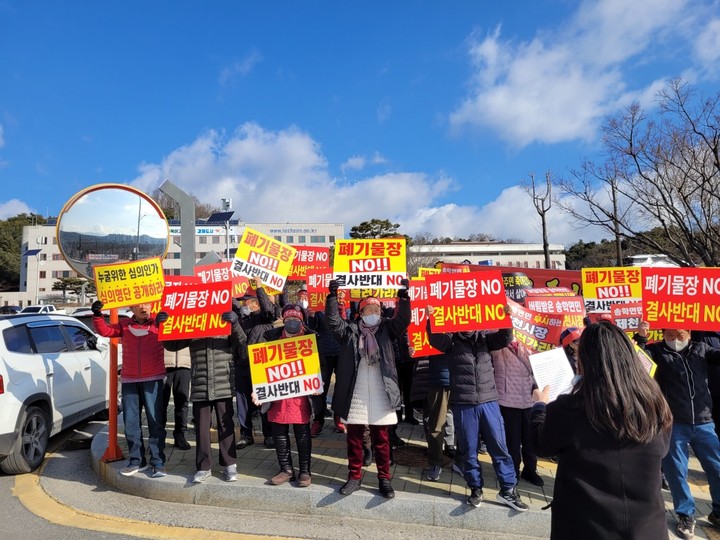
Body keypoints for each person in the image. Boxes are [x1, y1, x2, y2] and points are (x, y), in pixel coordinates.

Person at [532, 321, 672, 539]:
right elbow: (662, 451)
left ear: (587, 361)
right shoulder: (656, 406)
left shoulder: (570, 408)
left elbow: (540, 444)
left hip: (585, 527)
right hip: (647, 529)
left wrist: (540, 406)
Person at [426, 305, 528, 511]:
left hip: (489, 400)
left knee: (499, 447)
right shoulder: (452, 341)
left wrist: (506, 318)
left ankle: (508, 490)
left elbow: (505, 337)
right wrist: (431, 319)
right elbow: (435, 338)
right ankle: (475, 488)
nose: (468, 325)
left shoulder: (485, 339)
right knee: (469, 450)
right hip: (464, 403)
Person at [325, 278, 411, 499]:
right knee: (354, 437)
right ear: (360, 312)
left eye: (377, 308)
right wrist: (332, 296)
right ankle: (354, 476)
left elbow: (403, 319)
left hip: (382, 389)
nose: (373, 311)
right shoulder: (350, 331)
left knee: (382, 438)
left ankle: (384, 478)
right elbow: (333, 321)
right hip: (356, 390)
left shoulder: (387, 329)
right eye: (368, 309)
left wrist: (403, 296)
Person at [636, 323, 720, 539]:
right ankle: (685, 515)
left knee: (716, 468)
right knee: (676, 472)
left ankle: (718, 512)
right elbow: (638, 365)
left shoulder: (702, 349)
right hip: (674, 423)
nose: (675, 338)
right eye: (670, 334)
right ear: (663, 334)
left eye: (680, 334)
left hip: (704, 423)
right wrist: (642, 338)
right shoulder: (656, 351)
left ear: (689, 333)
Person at [161, 309, 246, 484]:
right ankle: (203, 467)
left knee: (226, 425)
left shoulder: (225, 321)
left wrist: (235, 324)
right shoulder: (193, 322)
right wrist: (164, 325)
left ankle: (229, 464)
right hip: (200, 384)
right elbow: (173, 345)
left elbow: (242, 346)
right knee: (201, 428)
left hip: (223, 382)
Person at [91, 300, 167, 477]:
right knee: (131, 422)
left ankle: (158, 462)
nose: (144, 307)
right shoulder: (125, 325)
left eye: (147, 304)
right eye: (139, 305)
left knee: (155, 421)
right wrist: (97, 315)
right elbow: (106, 331)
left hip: (153, 379)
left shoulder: (159, 322)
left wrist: (166, 323)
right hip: (129, 379)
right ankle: (136, 461)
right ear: (131, 308)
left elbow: (175, 337)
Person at [255, 304, 316, 487]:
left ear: (302, 321)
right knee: (279, 434)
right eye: (288, 320)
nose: (292, 323)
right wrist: (258, 390)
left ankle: (305, 471)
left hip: (301, 397)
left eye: (296, 320)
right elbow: (262, 369)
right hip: (278, 397)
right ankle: (286, 469)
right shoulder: (270, 340)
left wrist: (317, 384)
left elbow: (319, 366)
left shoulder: (311, 340)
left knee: (302, 434)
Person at [491, 337, 542, 486]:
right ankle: (512, 471)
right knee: (512, 440)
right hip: (507, 400)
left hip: (528, 399)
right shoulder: (498, 344)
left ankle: (530, 470)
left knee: (529, 439)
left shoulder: (528, 343)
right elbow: (493, 345)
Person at [234, 277, 276, 449]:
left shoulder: (265, 319)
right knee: (242, 401)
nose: (244, 304)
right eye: (243, 301)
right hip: (242, 364)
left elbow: (268, 308)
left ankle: (269, 434)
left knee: (264, 399)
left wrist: (259, 287)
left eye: (248, 301)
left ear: (257, 303)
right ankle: (246, 434)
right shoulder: (240, 319)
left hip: (261, 364)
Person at [162, 347, 192, 450]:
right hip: (163, 363)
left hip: (184, 363)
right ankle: (159, 436)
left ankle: (180, 435)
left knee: (182, 402)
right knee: (161, 404)